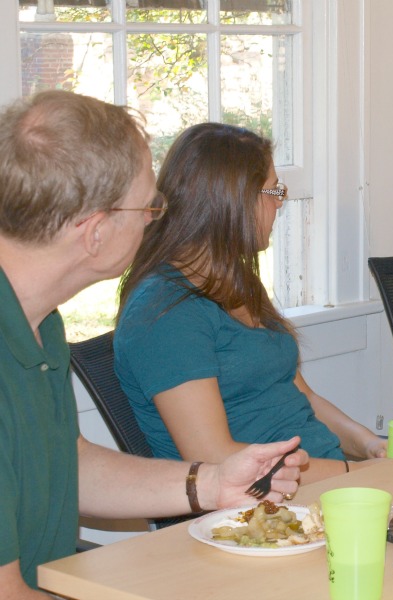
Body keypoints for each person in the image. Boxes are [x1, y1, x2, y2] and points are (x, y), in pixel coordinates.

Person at [0, 90, 308, 596]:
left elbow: (67, 463)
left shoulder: (39, 321)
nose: (154, 218)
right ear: (96, 233)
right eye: (149, 205)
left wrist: (209, 484)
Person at [113, 123, 385, 484]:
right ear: (231, 199)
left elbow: (303, 397)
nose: (279, 202)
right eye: (272, 190)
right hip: (250, 507)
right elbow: (214, 458)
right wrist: (355, 472)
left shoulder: (236, 280)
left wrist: (369, 445)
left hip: (321, 478)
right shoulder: (165, 311)